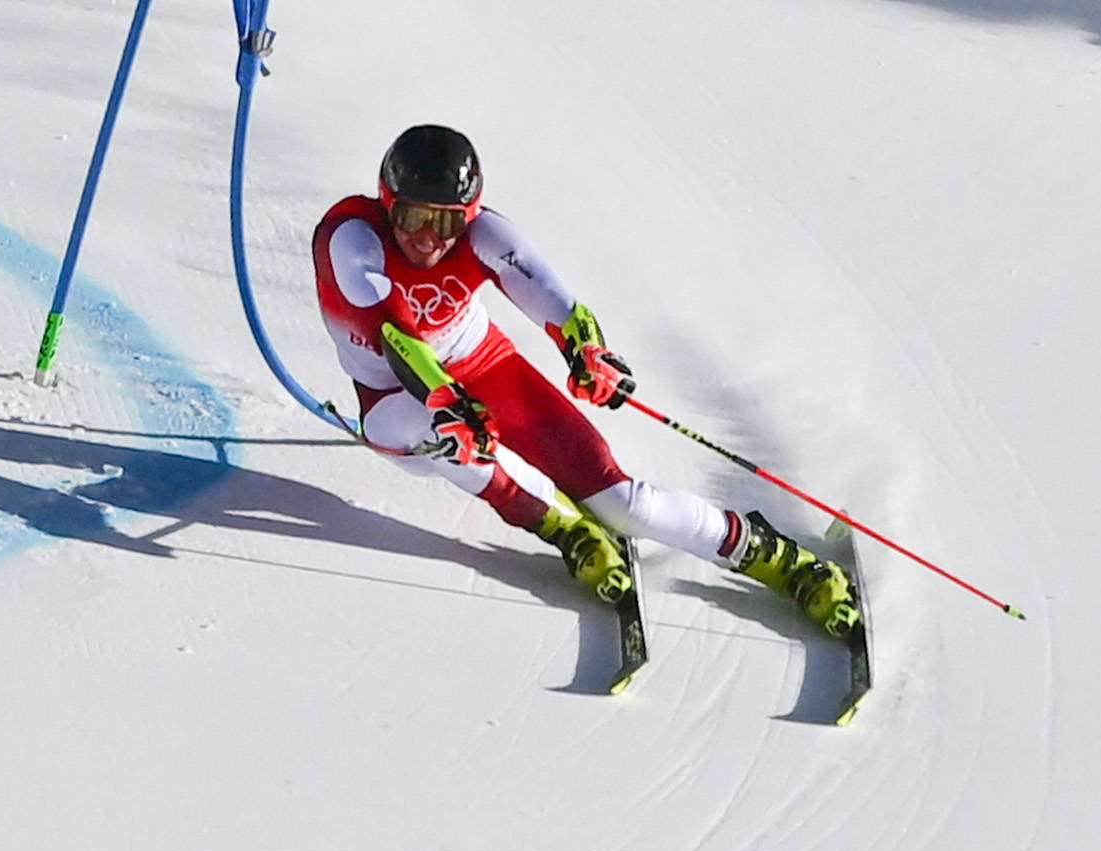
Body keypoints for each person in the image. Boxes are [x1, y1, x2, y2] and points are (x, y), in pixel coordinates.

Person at [311, 123, 862, 638]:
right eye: (413, 218)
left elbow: (555, 300)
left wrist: (587, 351)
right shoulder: (350, 239)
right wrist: (447, 402)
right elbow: (395, 334)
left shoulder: (485, 234)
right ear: (388, 205)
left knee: (625, 505)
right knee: (437, 437)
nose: (430, 239)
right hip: (397, 396)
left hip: (486, 369)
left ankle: (779, 560)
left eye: (448, 221)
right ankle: (564, 529)